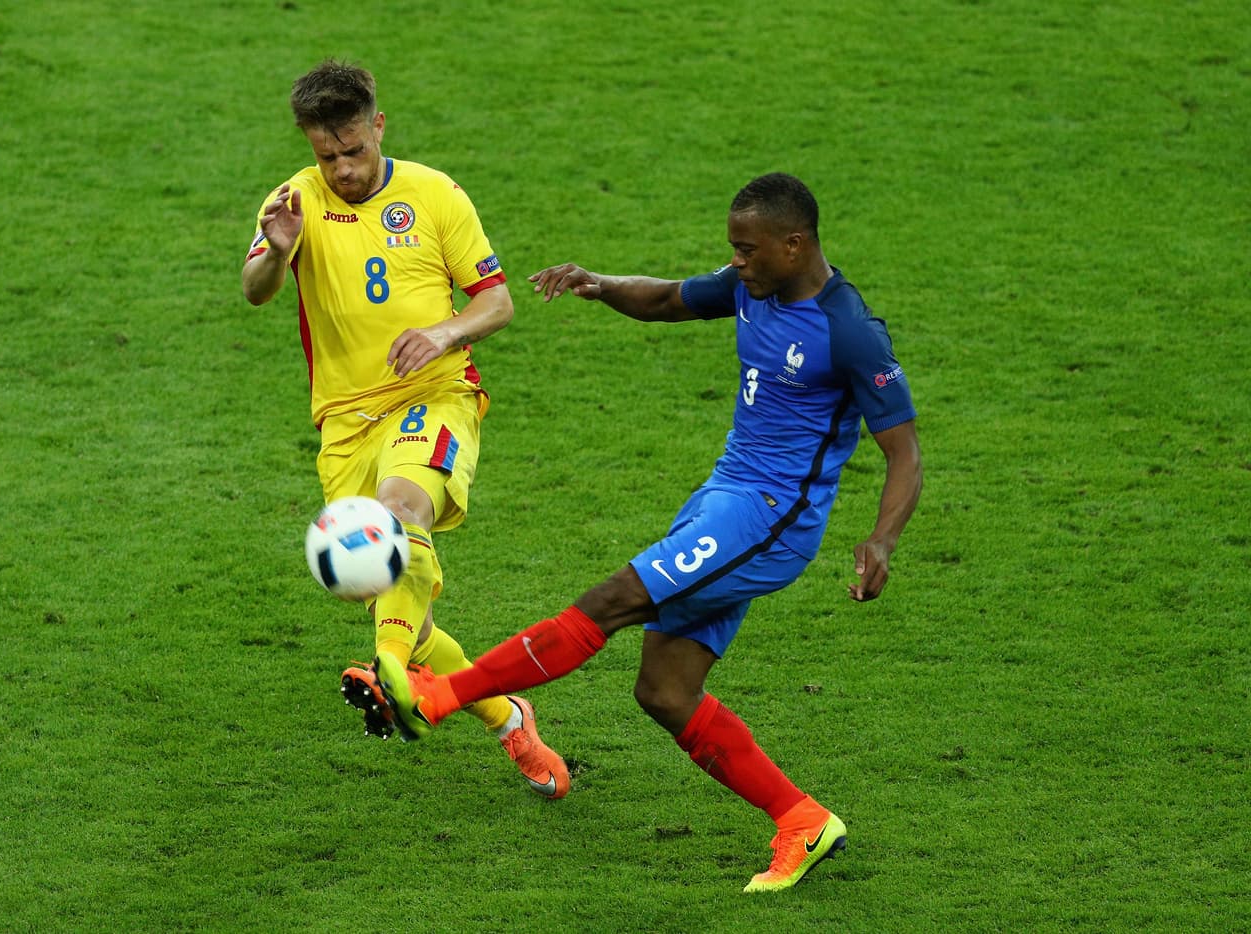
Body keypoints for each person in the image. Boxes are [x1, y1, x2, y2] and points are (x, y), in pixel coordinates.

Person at [369, 172, 922, 891]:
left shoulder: (849, 331)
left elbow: (904, 451)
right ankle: (803, 822)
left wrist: (881, 540)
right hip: (721, 502)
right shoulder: (751, 286)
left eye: (748, 250)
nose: (737, 262)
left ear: (796, 244)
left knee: (613, 599)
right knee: (664, 691)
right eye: (734, 249)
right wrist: (597, 282)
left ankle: (437, 698)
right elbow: (666, 298)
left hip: (771, 521)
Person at [241, 59, 569, 799]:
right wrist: (281, 248)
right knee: (399, 598)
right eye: (329, 155)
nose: (344, 168)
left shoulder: (434, 194)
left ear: (378, 126)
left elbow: (497, 302)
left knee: (400, 512)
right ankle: (507, 717)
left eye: (354, 150)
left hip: (436, 396)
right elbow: (255, 290)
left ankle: (388, 671)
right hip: (344, 424)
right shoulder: (290, 202)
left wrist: (445, 334)